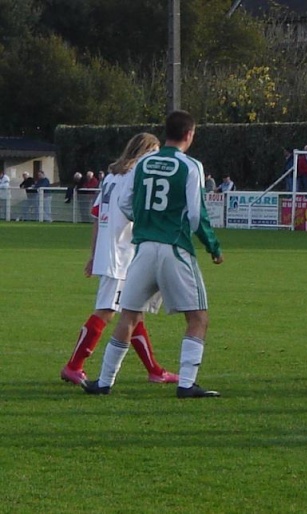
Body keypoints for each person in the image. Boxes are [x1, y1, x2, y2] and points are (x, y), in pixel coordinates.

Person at [82, 110, 224, 398]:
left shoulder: (144, 162)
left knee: (128, 317)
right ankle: (186, 384)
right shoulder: (191, 166)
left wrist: (146, 221)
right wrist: (213, 247)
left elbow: (124, 203)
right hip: (175, 249)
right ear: (189, 134)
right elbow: (197, 215)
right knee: (198, 318)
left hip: (143, 249)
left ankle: (104, 382)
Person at [61, 133, 178, 386]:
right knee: (107, 311)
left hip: (110, 250)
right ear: (146, 151)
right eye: (155, 151)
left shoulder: (112, 176)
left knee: (134, 313)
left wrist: (94, 254)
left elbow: (96, 217)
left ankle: (155, 371)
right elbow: (135, 210)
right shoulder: (136, 175)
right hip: (121, 253)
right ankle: (74, 365)